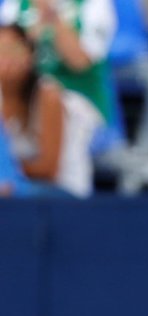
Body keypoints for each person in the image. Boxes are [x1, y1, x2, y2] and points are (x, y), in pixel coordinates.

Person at [0, 0, 119, 153]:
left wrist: (51, 17)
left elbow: (79, 61)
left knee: (50, 99)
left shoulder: (93, 4)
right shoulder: (15, 4)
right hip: (24, 99)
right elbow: (9, 53)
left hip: (79, 100)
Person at [0, 24, 100, 197]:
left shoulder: (48, 96)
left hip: (63, 193)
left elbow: (48, 169)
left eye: (14, 50)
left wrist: (8, 170)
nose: (8, 59)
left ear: (30, 55)